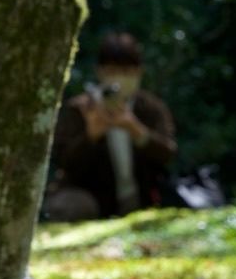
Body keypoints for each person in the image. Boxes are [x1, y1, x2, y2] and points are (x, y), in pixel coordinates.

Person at [41, 32, 178, 221]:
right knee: (70, 205)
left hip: (143, 200)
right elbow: (64, 163)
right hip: (93, 201)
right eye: (114, 71)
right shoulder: (81, 109)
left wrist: (136, 130)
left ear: (138, 72)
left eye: (127, 71)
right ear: (101, 71)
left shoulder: (151, 109)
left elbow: (168, 154)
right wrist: (90, 136)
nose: (120, 79)